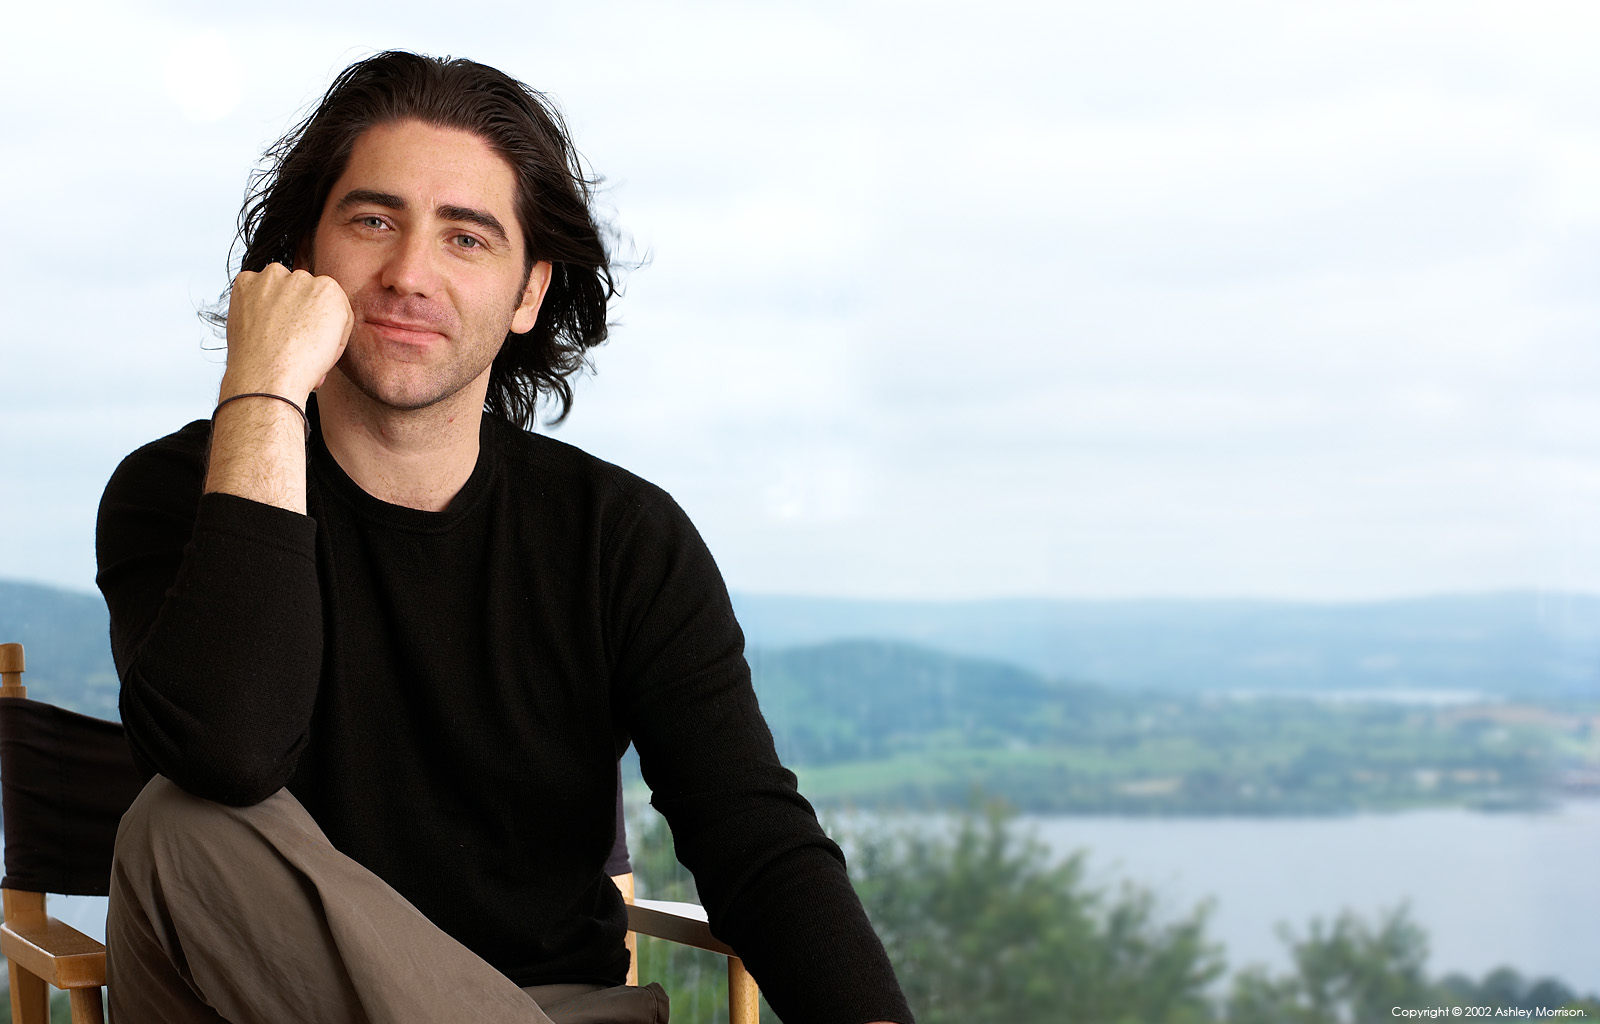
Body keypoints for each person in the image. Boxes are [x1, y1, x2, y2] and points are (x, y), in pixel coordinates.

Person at [95, 51, 912, 1024]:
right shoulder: (174, 494)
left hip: (559, 1006)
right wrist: (262, 391)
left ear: (528, 293)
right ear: (302, 262)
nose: (407, 274)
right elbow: (228, 748)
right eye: (372, 221)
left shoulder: (621, 538)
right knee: (180, 826)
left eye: (466, 238)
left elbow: (752, 837)